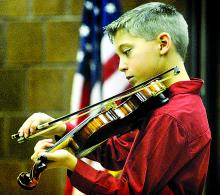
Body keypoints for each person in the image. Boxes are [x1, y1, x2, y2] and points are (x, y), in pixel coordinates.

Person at [17, 2, 211, 194]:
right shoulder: (167, 104)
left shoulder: (171, 116)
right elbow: (118, 152)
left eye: (127, 52)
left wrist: (73, 165)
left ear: (163, 44)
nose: (121, 66)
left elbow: (130, 191)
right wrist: (62, 129)